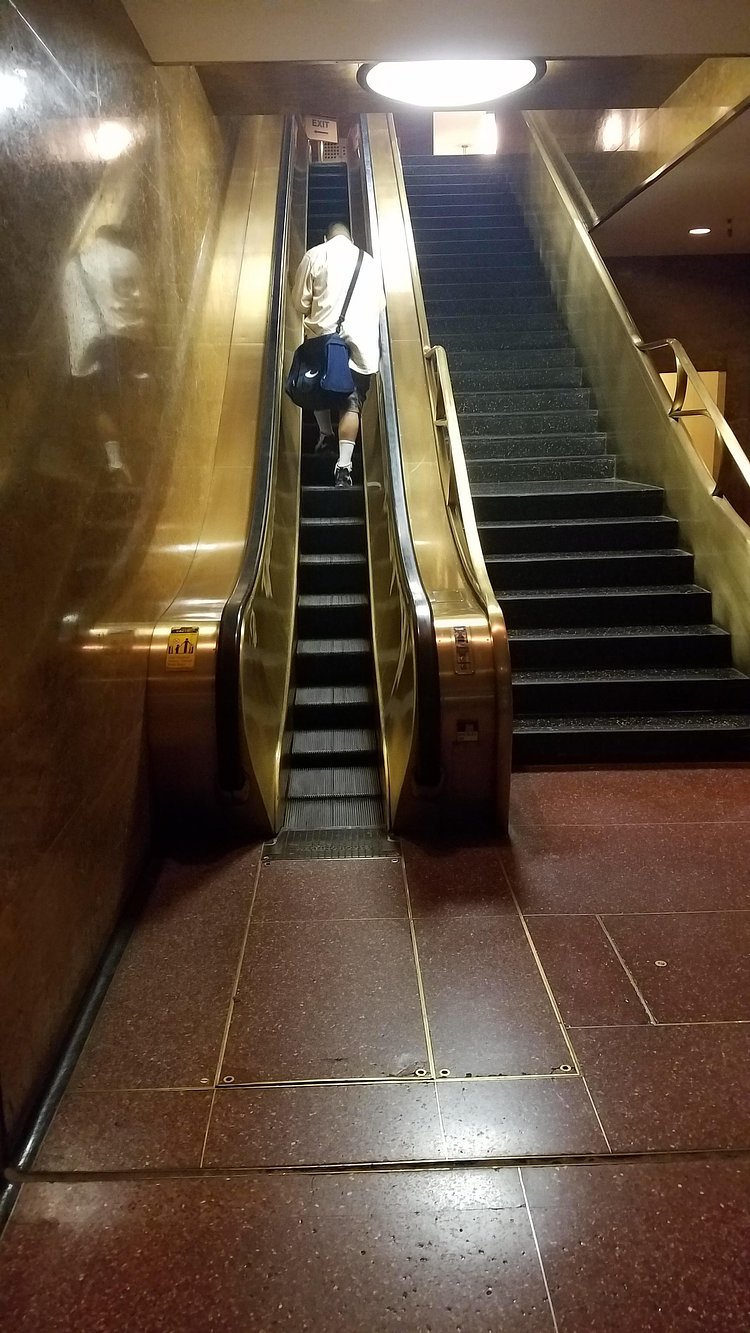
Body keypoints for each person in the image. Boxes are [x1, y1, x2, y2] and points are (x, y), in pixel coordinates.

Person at [291, 221, 385, 487]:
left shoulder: (316, 254)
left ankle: (324, 435)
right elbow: (380, 304)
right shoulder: (370, 262)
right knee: (351, 404)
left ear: (325, 236)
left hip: (324, 339)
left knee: (318, 383)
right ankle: (343, 468)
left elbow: (300, 302)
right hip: (362, 347)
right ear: (352, 238)